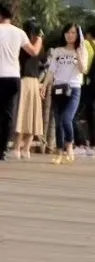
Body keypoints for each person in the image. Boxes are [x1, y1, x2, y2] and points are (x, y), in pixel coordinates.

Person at [0, 5, 43, 160]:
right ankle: (2, 150)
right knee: (8, 114)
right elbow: (33, 52)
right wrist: (39, 40)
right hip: (13, 77)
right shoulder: (19, 33)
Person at [42, 23, 88, 164]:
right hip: (58, 88)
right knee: (58, 122)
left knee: (66, 119)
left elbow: (83, 70)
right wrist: (44, 85)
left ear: (78, 35)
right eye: (67, 32)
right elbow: (51, 71)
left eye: (73, 32)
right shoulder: (58, 51)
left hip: (73, 88)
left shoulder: (81, 50)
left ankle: (69, 147)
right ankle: (59, 152)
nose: (70, 35)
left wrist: (79, 55)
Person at [13, 17, 45, 159]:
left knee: (31, 116)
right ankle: (18, 148)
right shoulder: (28, 43)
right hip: (26, 80)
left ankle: (24, 148)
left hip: (31, 80)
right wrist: (39, 38)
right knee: (25, 115)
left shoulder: (20, 41)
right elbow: (35, 52)